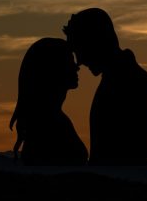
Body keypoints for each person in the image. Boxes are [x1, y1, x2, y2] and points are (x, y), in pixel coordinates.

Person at [63, 8, 147, 165]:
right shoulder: (120, 81)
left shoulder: (135, 85)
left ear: (96, 42)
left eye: (80, 49)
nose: (79, 61)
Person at [9, 37, 88, 166]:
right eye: (69, 61)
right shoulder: (48, 121)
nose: (77, 67)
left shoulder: (52, 118)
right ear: (53, 69)